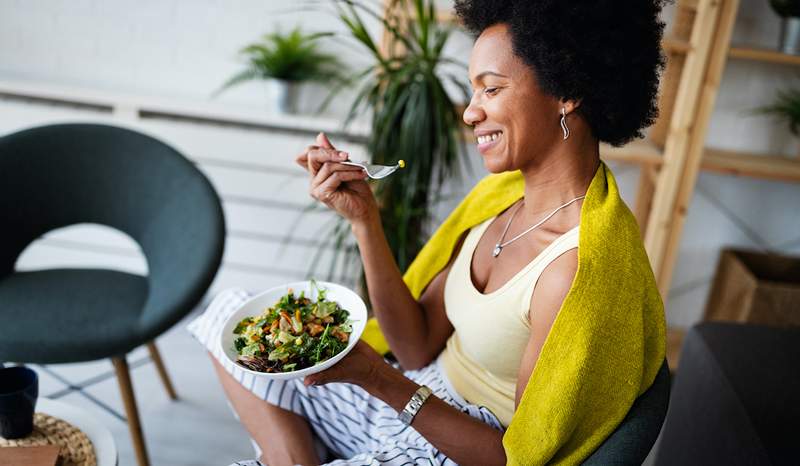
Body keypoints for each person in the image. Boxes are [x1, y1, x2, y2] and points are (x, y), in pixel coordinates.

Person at [188, 0, 668, 464]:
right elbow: (414, 346)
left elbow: (512, 459)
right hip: (412, 394)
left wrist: (377, 377)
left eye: (492, 89)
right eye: (473, 90)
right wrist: (365, 220)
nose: (470, 112)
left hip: (460, 444)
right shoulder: (498, 201)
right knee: (228, 315)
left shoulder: (574, 271)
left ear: (567, 90)